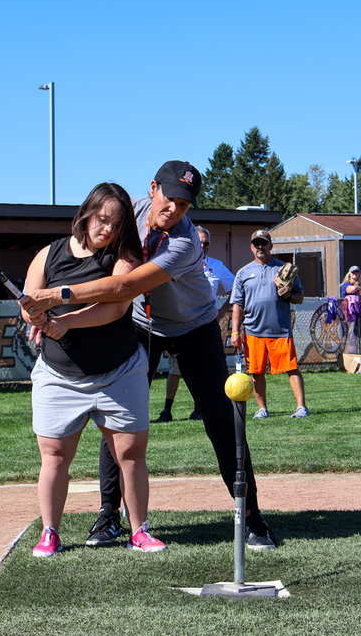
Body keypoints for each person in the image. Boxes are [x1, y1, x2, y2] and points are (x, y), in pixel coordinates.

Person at [20, 160, 278, 551]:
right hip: (140, 326)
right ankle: (109, 517)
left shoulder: (186, 242)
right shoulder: (129, 211)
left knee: (221, 421)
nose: (174, 208)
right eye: (169, 197)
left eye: (184, 204)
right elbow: (90, 251)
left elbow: (124, 286)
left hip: (193, 327)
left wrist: (57, 298)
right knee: (116, 422)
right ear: (153, 187)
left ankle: (252, 517)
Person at [21, 182, 165, 556]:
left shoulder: (124, 257)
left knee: (130, 454)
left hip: (119, 370)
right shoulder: (48, 255)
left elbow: (116, 303)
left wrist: (67, 322)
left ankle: (139, 530)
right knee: (54, 456)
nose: (107, 230)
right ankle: (50, 532)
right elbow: (29, 301)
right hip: (59, 374)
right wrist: (33, 313)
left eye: (116, 225)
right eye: (102, 220)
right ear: (86, 214)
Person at [154, 225, 234, 423]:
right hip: (179, 325)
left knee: (204, 372)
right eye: (199, 242)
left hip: (205, 326)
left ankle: (200, 410)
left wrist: (221, 312)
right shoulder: (177, 259)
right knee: (175, 370)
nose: (203, 246)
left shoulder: (216, 265)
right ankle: (167, 410)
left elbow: (236, 289)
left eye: (206, 243)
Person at [231, 229, 308, 419]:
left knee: (291, 368)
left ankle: (301, 407)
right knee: (256, 372)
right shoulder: (243, 273)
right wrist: (235, 332)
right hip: (253, 330)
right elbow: (237, 305)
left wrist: (288, 294)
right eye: (256, 243)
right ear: (251, 247)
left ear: (271, 246)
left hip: (280, 329)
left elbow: (300, 297)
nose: (260, 246)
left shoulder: (284, 269)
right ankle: (262, 408)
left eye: (263, 243)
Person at [340, 265, 361, 352]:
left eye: (357, 272)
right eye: (353, 272)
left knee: (358, 337)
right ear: (349, 274)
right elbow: (352, 289)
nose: (355, 274)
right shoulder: (346, 285)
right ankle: (350, 355)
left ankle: (357, 353)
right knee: (350, 337)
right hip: (351, 316)